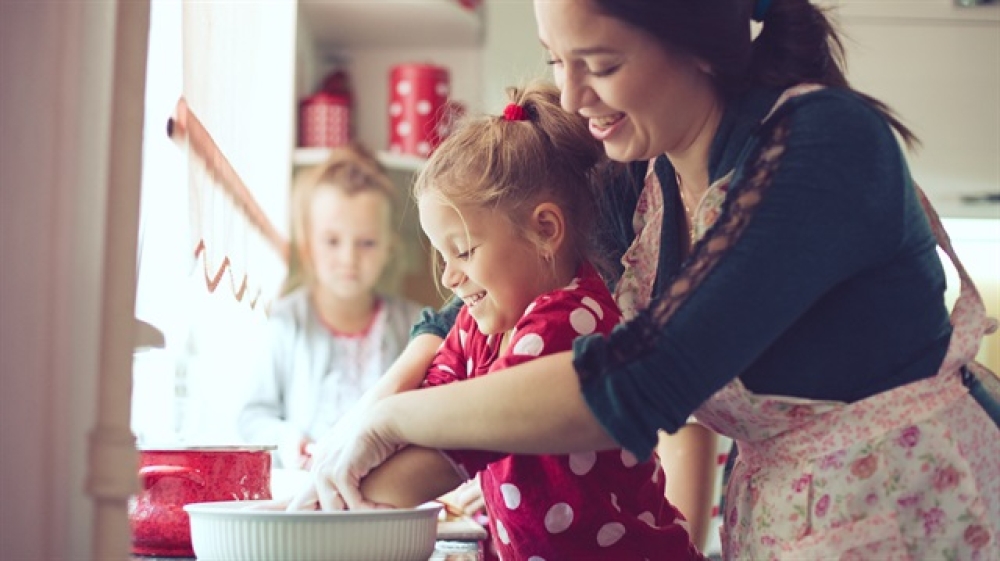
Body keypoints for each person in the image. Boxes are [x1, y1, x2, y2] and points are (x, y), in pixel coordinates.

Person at [301, 0, 1000, 558]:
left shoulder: (823, 146)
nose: (572, 96)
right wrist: (364, 427)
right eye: (557, 60)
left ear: (696, 41)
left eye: (600, 64)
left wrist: (391, 419)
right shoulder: (641, 173)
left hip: (916, 509)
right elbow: (470, 307)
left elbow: (637, 380)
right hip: (792, 521)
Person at [337, 83, 704, 560]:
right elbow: (434, 394)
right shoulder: (480, 325)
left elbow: (456, 444)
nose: (449, 277)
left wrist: (336, 495)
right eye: (443, 256)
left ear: (545, 230)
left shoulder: (570, 322)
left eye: (464, 251)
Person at [237, 142, 423, 470]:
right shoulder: (285, 322)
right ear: (308, 246)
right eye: (332, 241)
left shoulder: (416, 326)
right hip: (306, 485)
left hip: (387, 488)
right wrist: (289, 441)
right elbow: (252, 416)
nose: (348, 258)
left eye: (367, 243)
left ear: (388, 248)